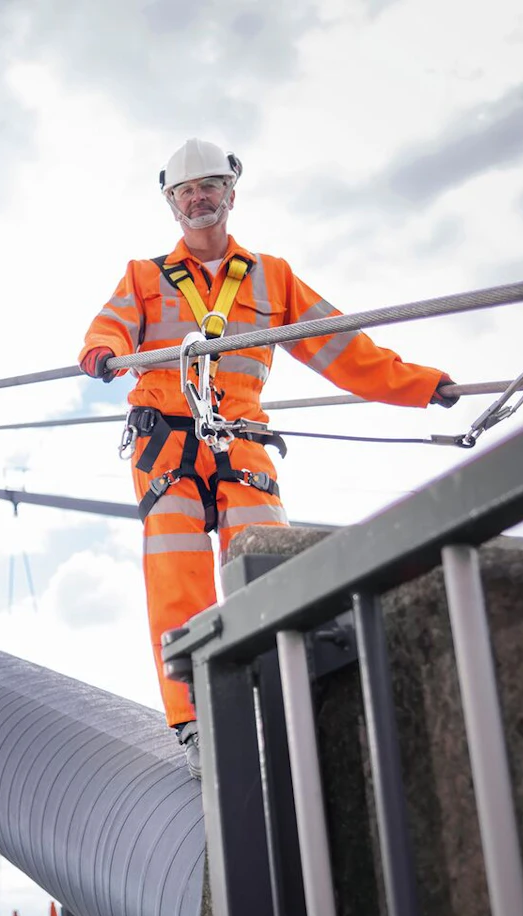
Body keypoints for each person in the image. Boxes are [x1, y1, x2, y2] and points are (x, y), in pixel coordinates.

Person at [78, 138, 460, 779]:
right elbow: (111, 325)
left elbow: (342, 349)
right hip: (166, 441)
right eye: (185, 192)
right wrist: (103, 351)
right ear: (172, 203)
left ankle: (284, 693)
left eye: (208, 188)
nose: (198, 199)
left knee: (268, 563)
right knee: (178, 576)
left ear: (231, 193)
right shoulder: (144, 277)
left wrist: (419, 385)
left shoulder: (271, 276)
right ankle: (196, 722)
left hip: (240, 436)